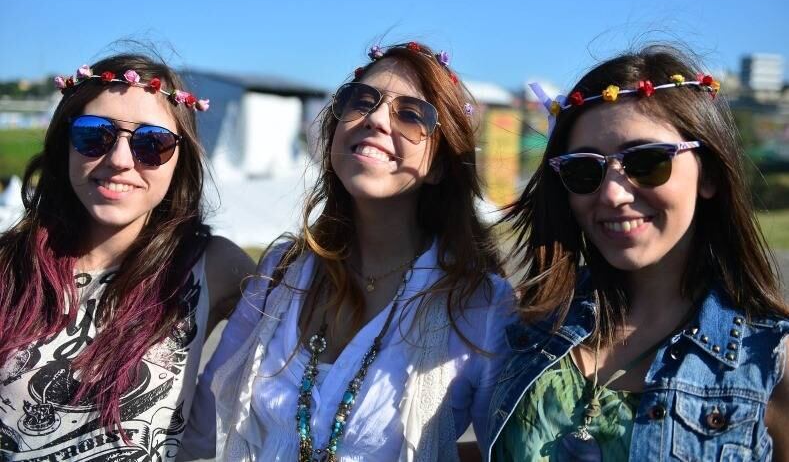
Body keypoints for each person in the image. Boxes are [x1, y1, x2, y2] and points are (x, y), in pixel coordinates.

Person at [181, 41, 514, 461]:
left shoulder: (480, 305)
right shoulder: (282, 271)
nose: (374, 119)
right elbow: (202, 431)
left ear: (441, 166)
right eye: (361, 100)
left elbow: (505, 450)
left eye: (411, 115)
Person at [486, 45, 789, 461]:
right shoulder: (529, 328)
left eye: (647, 162)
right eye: (584, 169)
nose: (611, 193)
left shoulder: (772, 361)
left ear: (710, 174)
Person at [0, 54, 254, 460]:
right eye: (93, 135)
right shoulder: (8, 266)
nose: (120, 160)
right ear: (63, 143)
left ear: (180, 160)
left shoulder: (213, 266)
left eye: (152, 144)